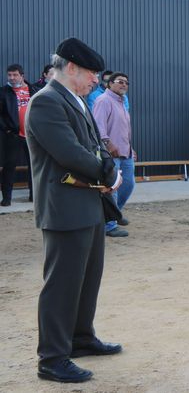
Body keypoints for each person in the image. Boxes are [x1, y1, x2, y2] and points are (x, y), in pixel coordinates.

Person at [26, 37, 123, 383]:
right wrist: (107, 171)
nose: (97, 79)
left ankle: (81, 338)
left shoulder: (76, 100)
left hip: (87, 203)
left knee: (88, 277)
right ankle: (52, 358)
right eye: (92, 74)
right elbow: (69, 153)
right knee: (63, 284)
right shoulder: (46, 102)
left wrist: (108, 166)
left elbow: (97, 145)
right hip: (64, 207)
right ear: (71, 68)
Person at [92, 72, 136, 237]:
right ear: (109, 84)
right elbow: (98, 126)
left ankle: (114, 214)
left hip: (126, 152)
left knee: (128, 185)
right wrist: (108, 144)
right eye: (120, 82)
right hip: (110, 153)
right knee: (112, 188)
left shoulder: (122, 102)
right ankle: (109, 225)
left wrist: (131, 148)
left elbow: (123, 129)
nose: (124, 84)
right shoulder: (103, 101)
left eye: (126, 82)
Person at [1, 64, 38, 205]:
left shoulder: (33, 90)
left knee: (34, 166)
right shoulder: (3, 92)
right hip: (13, 135)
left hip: (32, 136)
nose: (12, 77)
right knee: (9, 167)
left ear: (22, 76)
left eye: (15, 75)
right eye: (9, 75)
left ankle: (33, 196)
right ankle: (6, 198)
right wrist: (7, 129)